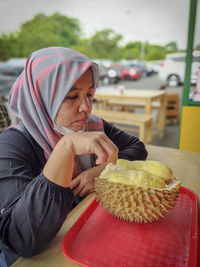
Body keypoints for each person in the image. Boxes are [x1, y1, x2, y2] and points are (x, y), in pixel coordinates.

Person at [0, 46, 148, 266]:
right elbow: (21, 239)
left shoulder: (92, 126)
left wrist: (100, 171)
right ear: (40, 98)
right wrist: (65, 148)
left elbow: (136, 148)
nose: (86, 107)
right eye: (71, 96)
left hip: (86, 237)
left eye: (89, 94)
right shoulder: (12, 145)